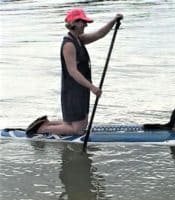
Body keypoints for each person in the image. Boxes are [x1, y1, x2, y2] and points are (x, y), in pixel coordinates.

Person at [26, 8, 123, 136]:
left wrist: (113, 21)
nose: (86, 24)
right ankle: (41, 129)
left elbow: (99, 34)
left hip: (80, 88)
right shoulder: (69, 45)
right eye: (83, 22)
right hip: (73, 89)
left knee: (79, 124)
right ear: (74, 23)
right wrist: (92, 87)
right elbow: (72, 71)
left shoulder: (78, 39)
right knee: (78, 130)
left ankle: (46, 123)